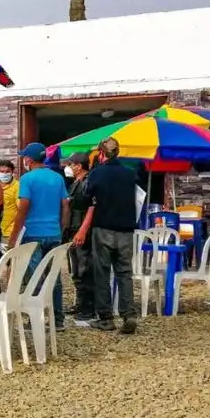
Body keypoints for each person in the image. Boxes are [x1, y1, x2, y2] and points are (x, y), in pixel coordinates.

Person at [73, 137, 139, 334]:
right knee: (124, 273)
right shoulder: (130, 173)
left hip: (103, 228)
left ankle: (106, 318)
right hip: (127, 230)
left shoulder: (96, 173)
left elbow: (86, 199)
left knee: (102, 273)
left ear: (101, 154)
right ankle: (129, 315)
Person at [7, 142, 70, 331]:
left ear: (29, 159)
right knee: (54, 277)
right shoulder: (57, 177)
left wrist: (14, 235)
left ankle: (37, 318)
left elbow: (23, 207)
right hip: (54, 234)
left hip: (33, 234)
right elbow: (65, 205)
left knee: (35, 277)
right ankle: (58, 320)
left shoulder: (27, 179)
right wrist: (61, 227)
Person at [62, 151, 95, 322]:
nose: (68, 167)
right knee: (75, 269)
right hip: (73, 229)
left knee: (85, 269)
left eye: (71, 164)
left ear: (79, 166)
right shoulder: (76, 182)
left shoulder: (88, 182)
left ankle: (88, 307)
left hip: (83, 229)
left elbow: (91, 207)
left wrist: (82, 230)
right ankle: (80, 302)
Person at [0, 160, 19, 247]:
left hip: (9, 231)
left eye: (7, 171)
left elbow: (20, 208)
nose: (4, 173)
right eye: (2, 171)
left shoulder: (17, 186)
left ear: (12, 172)